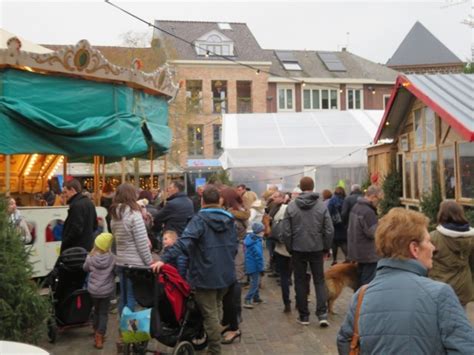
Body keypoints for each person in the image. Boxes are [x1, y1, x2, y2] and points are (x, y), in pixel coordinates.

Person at [337, 208, 474, 354]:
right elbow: (465, 348)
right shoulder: (439, 294)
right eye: (428, 241)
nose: (433, 248)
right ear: (414, 248)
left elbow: (345, 341)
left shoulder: (362, 296)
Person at [153, 185, 238, 355]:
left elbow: (184, 243)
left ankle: (214, 350)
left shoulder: (199, 220)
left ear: (202, 200)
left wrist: (163, 260)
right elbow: (234, 247)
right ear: (219, 201)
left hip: (205, 275)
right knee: (216, 308)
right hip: (226, 273)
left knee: (210, 315)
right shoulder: (230, 221)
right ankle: (213, 341)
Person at [282, 176, 334, 327]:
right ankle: (322, 313)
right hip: (317, 248)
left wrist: (290, 247)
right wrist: (326, 247)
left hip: (298, 248)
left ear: (300, 187)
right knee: (319, 280)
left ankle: (304, 315)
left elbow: (286, 231)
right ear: (313, 186)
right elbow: (329, 229)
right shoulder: (321, 206)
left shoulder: (291, 206)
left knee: (300, 281)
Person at [110, 183, 153, 313]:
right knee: (132, 297)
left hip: (121, 260)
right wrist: (149, 262)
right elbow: (141, 243)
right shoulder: (134, 215)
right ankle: (131, 329)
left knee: (123, 296)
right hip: (135, 264)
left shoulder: (115, 215)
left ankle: (123, 327)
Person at [429, 200, 474, 307]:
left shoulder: (433, 237)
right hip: (463, 288)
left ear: (441, 214)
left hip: (439, 287)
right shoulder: (471, 238)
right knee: (460, 320)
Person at [83, 233, 115, 350]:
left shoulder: (90, 257)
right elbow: (115, 271)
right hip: (106, 292)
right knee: (103, 313)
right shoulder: (112, 258)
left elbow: (85, 268)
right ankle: (99, 336)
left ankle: (96, 331)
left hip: (93, 291)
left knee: (96, 311)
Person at [347, 185, 382, 288]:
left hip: (357, 251)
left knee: (360, 283)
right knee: (367, 285)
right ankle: (364, 303)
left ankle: (358, 302)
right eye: (379, 199)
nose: (378, 203)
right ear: (373, 196)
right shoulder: (368, 212)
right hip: (368, 254)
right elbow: (374, 233)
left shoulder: (356, 207)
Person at [61, 179, 97, 253]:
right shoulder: (89, 203)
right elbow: (95, 225)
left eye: (65, 192)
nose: (64, 195)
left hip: (75, 250)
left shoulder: (76, 206)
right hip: (88, 246)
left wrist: (65, 242)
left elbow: (75, 229)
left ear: (72, 190)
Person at [271, 192, 292, 313]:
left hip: (280, 247)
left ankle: (286, 303)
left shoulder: (275, 210)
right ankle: (300, 302)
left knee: (284, 277)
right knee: (298, 277)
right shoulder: (291, 209)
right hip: (293, 248)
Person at [243, 222, 265, 309]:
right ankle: (248, 299)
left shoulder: (250, 238)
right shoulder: (257, 242)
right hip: (255, 266)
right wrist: (261, 268)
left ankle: (256, 297)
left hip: (249, 264)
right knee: (255, 283)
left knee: (255, 281)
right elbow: (259, 257)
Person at [327, 186, 347, 265]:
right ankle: (347, 257)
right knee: (343, 242)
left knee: (334, 243)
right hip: (343, 224)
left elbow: (328, 212)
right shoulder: (345, 200)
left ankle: (334, 260)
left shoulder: (332, 201)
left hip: (334, 224)